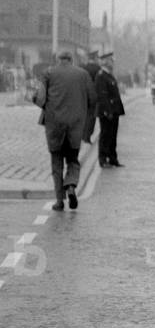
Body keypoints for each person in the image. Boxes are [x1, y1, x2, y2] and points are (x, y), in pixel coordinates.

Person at [34, 49, 96, 211]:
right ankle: (71, 186)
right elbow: (93, 99)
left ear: (58, 59)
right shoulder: (83, 75)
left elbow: (40, 99)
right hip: (75, 126)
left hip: (54, 126)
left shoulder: (48, 73)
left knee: (56, 163)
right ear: (72, 60)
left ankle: (59, 201)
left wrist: (34, 98)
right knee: (73, 160)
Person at [95, 50, 126, 167]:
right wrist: (107, 111)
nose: (112, 63)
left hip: (114, 111)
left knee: (112, 136)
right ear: (105, 62)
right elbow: (102, 96)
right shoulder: (101, 76)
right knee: (105, 135)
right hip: (107, 111)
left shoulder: (109, 75)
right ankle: (103, 160)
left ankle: (113, 158)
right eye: (110, 61)